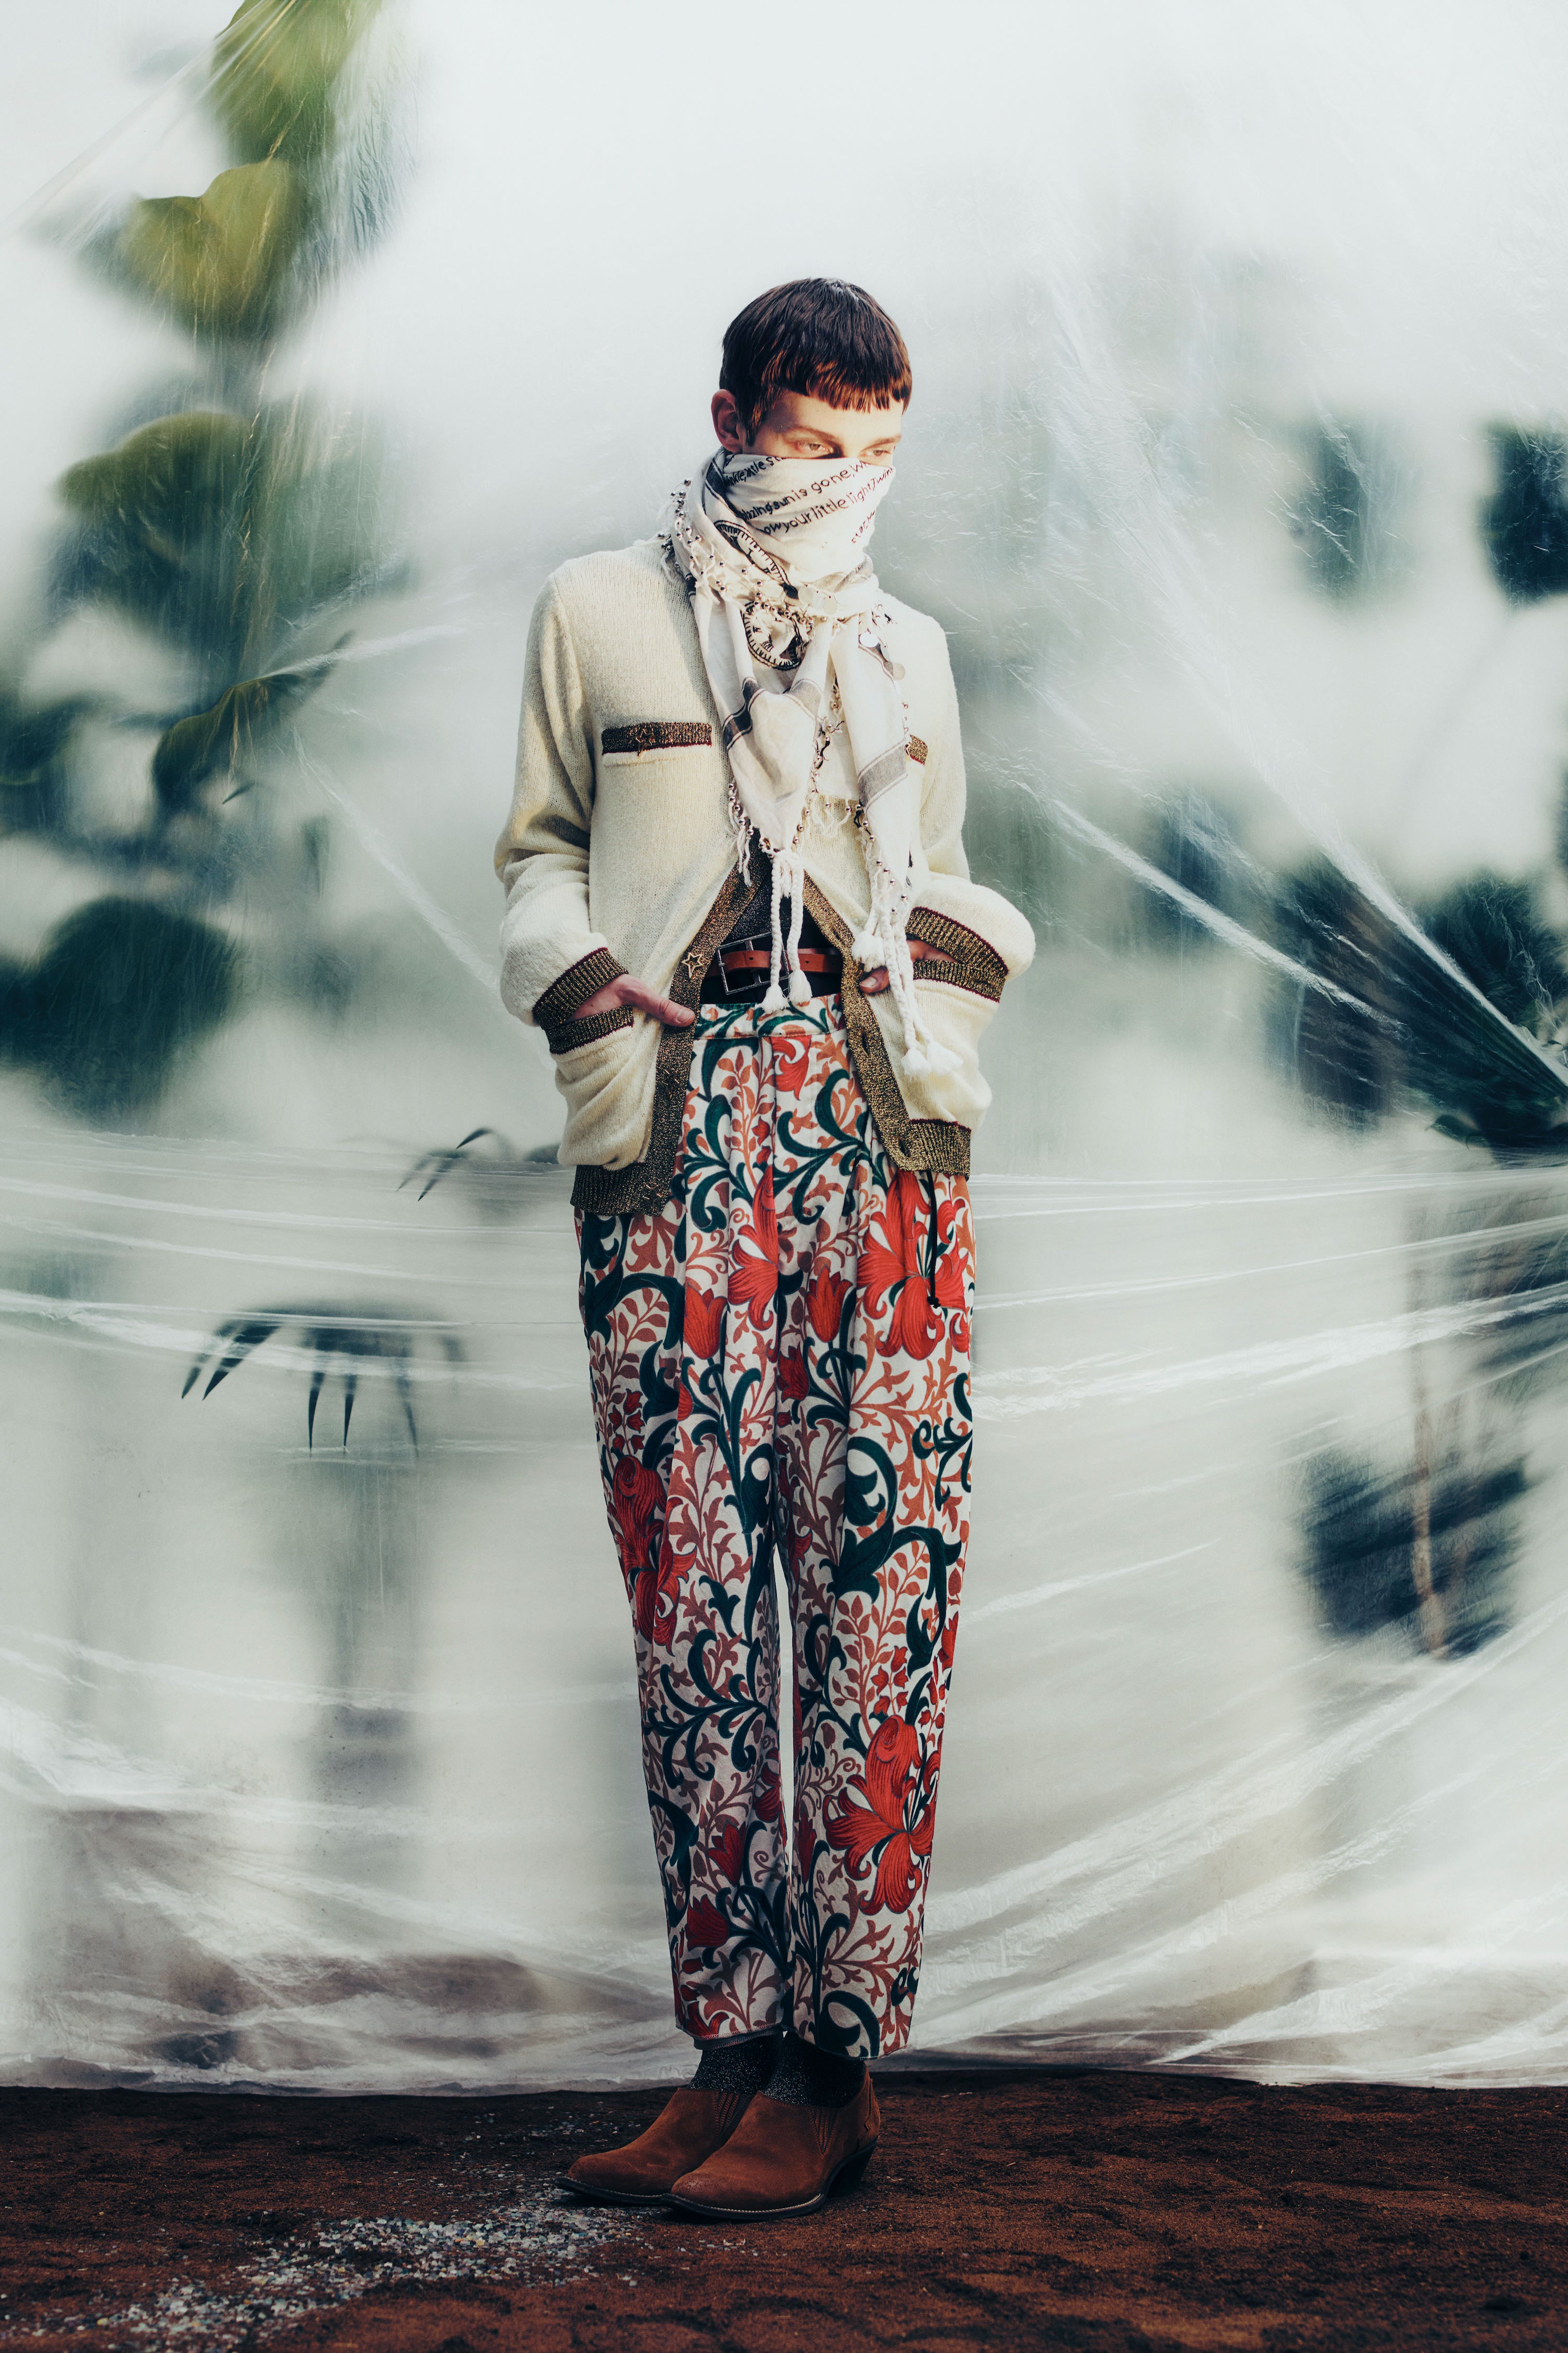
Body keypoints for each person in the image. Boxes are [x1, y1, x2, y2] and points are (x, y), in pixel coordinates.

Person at [493, 279, 1034, 2220]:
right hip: (674, 1140)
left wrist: (938, 1005)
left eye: (879, 451)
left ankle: (837, 2067)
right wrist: (581, 985)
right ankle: (727, 2051)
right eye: (814, 444)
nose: (844, 483)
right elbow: (538, 846)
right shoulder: (597, 608)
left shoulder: (908, 644)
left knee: (881, 1596)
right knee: (697, 1603)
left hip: (878, 1152)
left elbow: (935, 864)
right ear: (731, 417)